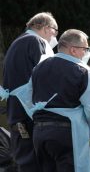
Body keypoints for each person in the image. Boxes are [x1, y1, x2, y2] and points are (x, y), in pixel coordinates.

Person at [19, 29, 90, 172]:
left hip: (40, 132)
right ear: (73, 50)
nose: (86, 53)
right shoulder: (83, 71)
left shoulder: (39, 68)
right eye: (85, 49)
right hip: (68, 133)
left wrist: (39, 116)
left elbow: (26, 97)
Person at [2, 12, 58, 172]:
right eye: (55, 31)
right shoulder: (36, 41)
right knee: (34, 160)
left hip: (17, 108)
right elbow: (48, 75)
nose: (55, 36)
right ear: (46, 28)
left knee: (23, 156)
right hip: (29, 109)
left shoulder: (18, 42)